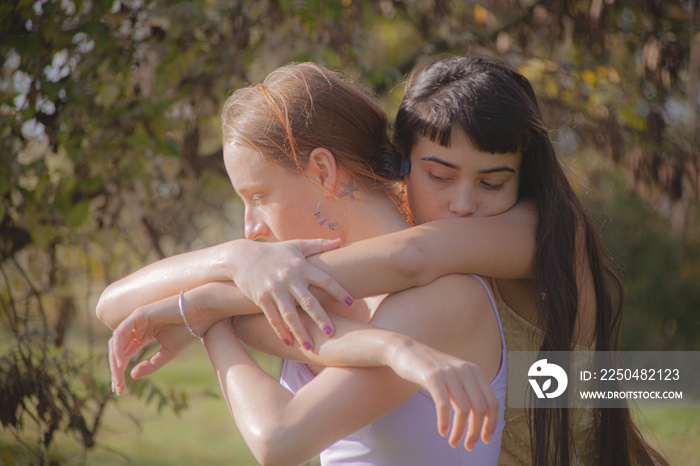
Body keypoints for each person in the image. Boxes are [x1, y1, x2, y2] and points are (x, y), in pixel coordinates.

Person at [98, 61, 510, 464]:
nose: (251, 227)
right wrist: (232, 258)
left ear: (322, 171)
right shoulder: (308, 286)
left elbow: (278, 440)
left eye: (259, 196)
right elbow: (112, 307)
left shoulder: (446, 296)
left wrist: (209, 319)